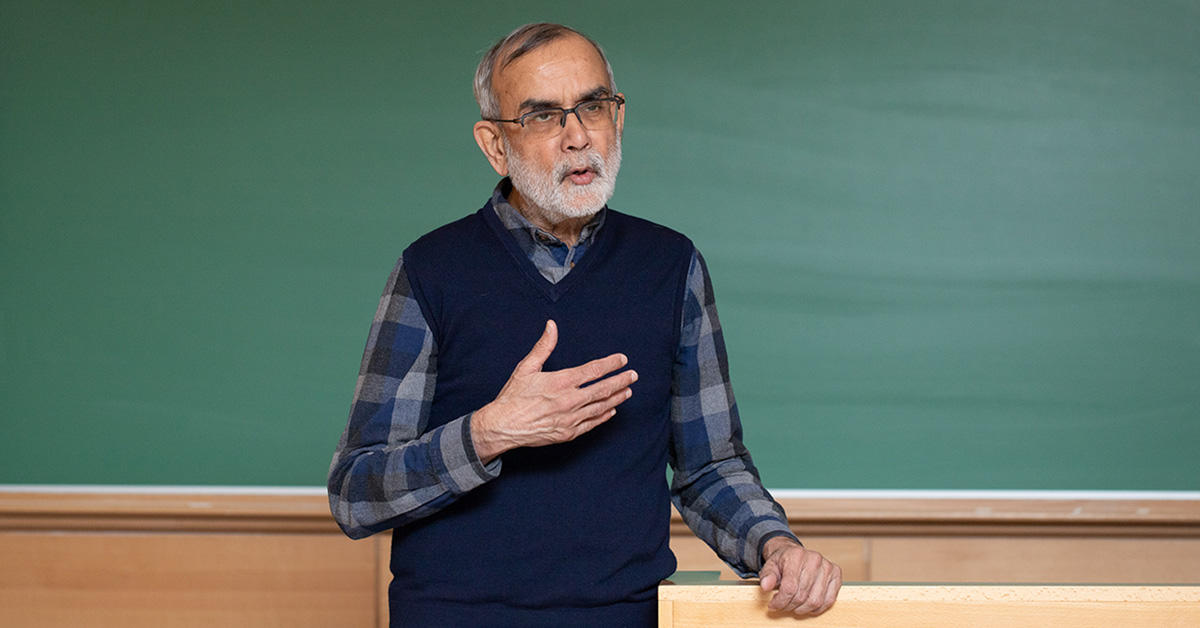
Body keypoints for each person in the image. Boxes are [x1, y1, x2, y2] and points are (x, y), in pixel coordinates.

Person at [328, 22, 841, 627]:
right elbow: (356, 494)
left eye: (592, 106)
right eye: (543, 116)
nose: (577, 137)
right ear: (495, 145)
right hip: (456, 615)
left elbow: (710, 468)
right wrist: (489, 433)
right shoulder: (431, 270)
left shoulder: (671, 266)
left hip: (628, 615)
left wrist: (773, 546)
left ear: (617, 119)